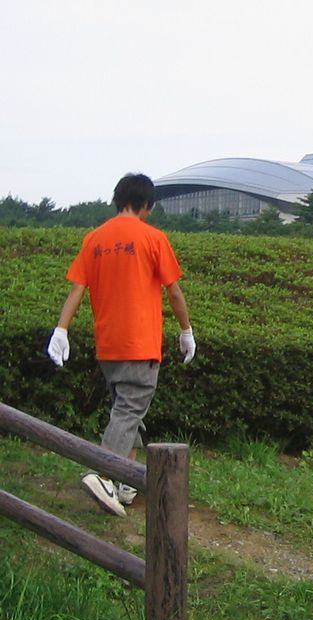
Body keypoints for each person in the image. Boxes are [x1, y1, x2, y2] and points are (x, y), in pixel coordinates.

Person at [46, 173, 195, 517]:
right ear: (146, 204)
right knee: (129, 412)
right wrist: (186, 331)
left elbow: (76, 290)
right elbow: (173, 291)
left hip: (108, 345)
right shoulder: (153, 237)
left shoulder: (94, 238)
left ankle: (127, 482)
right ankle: (103, 474)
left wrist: (61, 330)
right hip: (140, 344)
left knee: (128, 412)